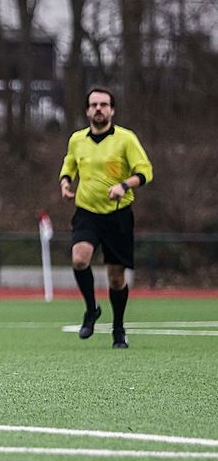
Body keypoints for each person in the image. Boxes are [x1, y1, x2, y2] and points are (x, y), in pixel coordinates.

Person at [59, 87, 153, 349]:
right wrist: (66, 182)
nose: (98, 109)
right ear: (87, 110)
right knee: (79, 260)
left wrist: (124, 185)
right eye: (94, 104)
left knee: (115, 278)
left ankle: (118, 329)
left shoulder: (126, 139)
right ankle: (91, 310)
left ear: (112, 109)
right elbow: (69, 163)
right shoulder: (77, 139)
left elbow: (145, 171)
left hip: (117, 215)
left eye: (104, 104)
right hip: (86, 211)